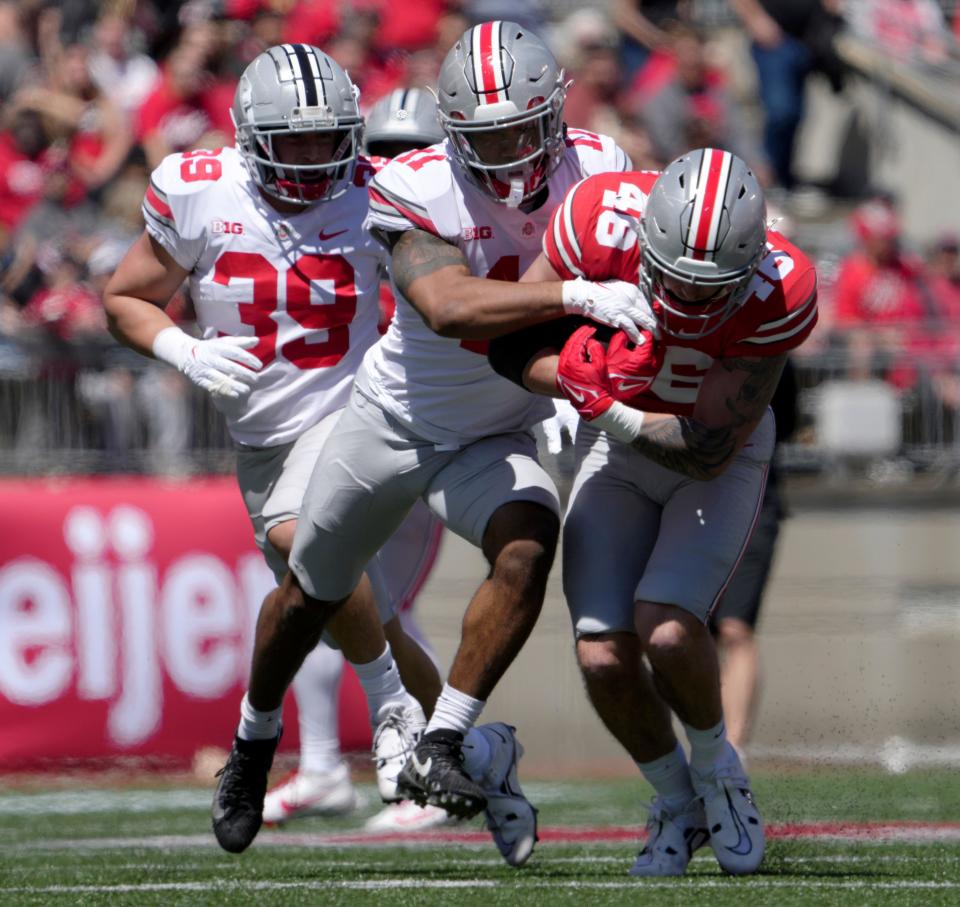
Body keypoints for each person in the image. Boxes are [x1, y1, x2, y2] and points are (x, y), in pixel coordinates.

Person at [204, 20, 653, 863]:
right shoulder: (416, 183)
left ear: (556, 115)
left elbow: (664, 240)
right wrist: (583, 297)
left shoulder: (602, 169)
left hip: (499, 424)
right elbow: (450, 306)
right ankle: (252, 742)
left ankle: (450, 738)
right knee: (311, 595)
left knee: (528, 545)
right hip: (395, 420)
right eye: (488, 138)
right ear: (453, 136)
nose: (513, 153)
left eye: (525, 129)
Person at [101, 45, 453, 857]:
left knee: (308, 538)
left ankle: (394, 717)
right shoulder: (199, 192)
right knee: (337, 609)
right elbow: (123, 298)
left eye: (326, 138)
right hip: (263, 439)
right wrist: (182, 350)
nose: (311, 157)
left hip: (360, 412)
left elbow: (449, 291)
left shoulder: (377, 190)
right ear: (248, 135)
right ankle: (462, 755)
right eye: (290, 141)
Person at [488, 147, 818, 876]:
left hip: (712, 460)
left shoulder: (780, 286)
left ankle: (719, 768)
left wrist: (606, 408)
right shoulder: (595, 222)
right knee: (603, 653)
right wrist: (572, 373)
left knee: (668, 630)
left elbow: (706, 448)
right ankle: (676, 798)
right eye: (678, 281)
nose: (693, 303)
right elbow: (506, 345)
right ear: (645, 241)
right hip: (619, 446)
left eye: (712, 289)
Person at [260, 87, 453, 835]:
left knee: (376, 608)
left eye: (416, 154)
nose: (399, 170)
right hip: (350, 427)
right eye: (388, 153)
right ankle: (321, 767)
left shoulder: (457, 223)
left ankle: (444, 763)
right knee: (313, 593)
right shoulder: (347, 211)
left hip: (414, 431)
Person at [709, 358, 798, 754]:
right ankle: (706, 745)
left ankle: (734, 752)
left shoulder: (774, 351)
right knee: (688, 630)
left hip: (758, 500)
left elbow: (788, 423)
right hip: (694, 498)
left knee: (735, 628)